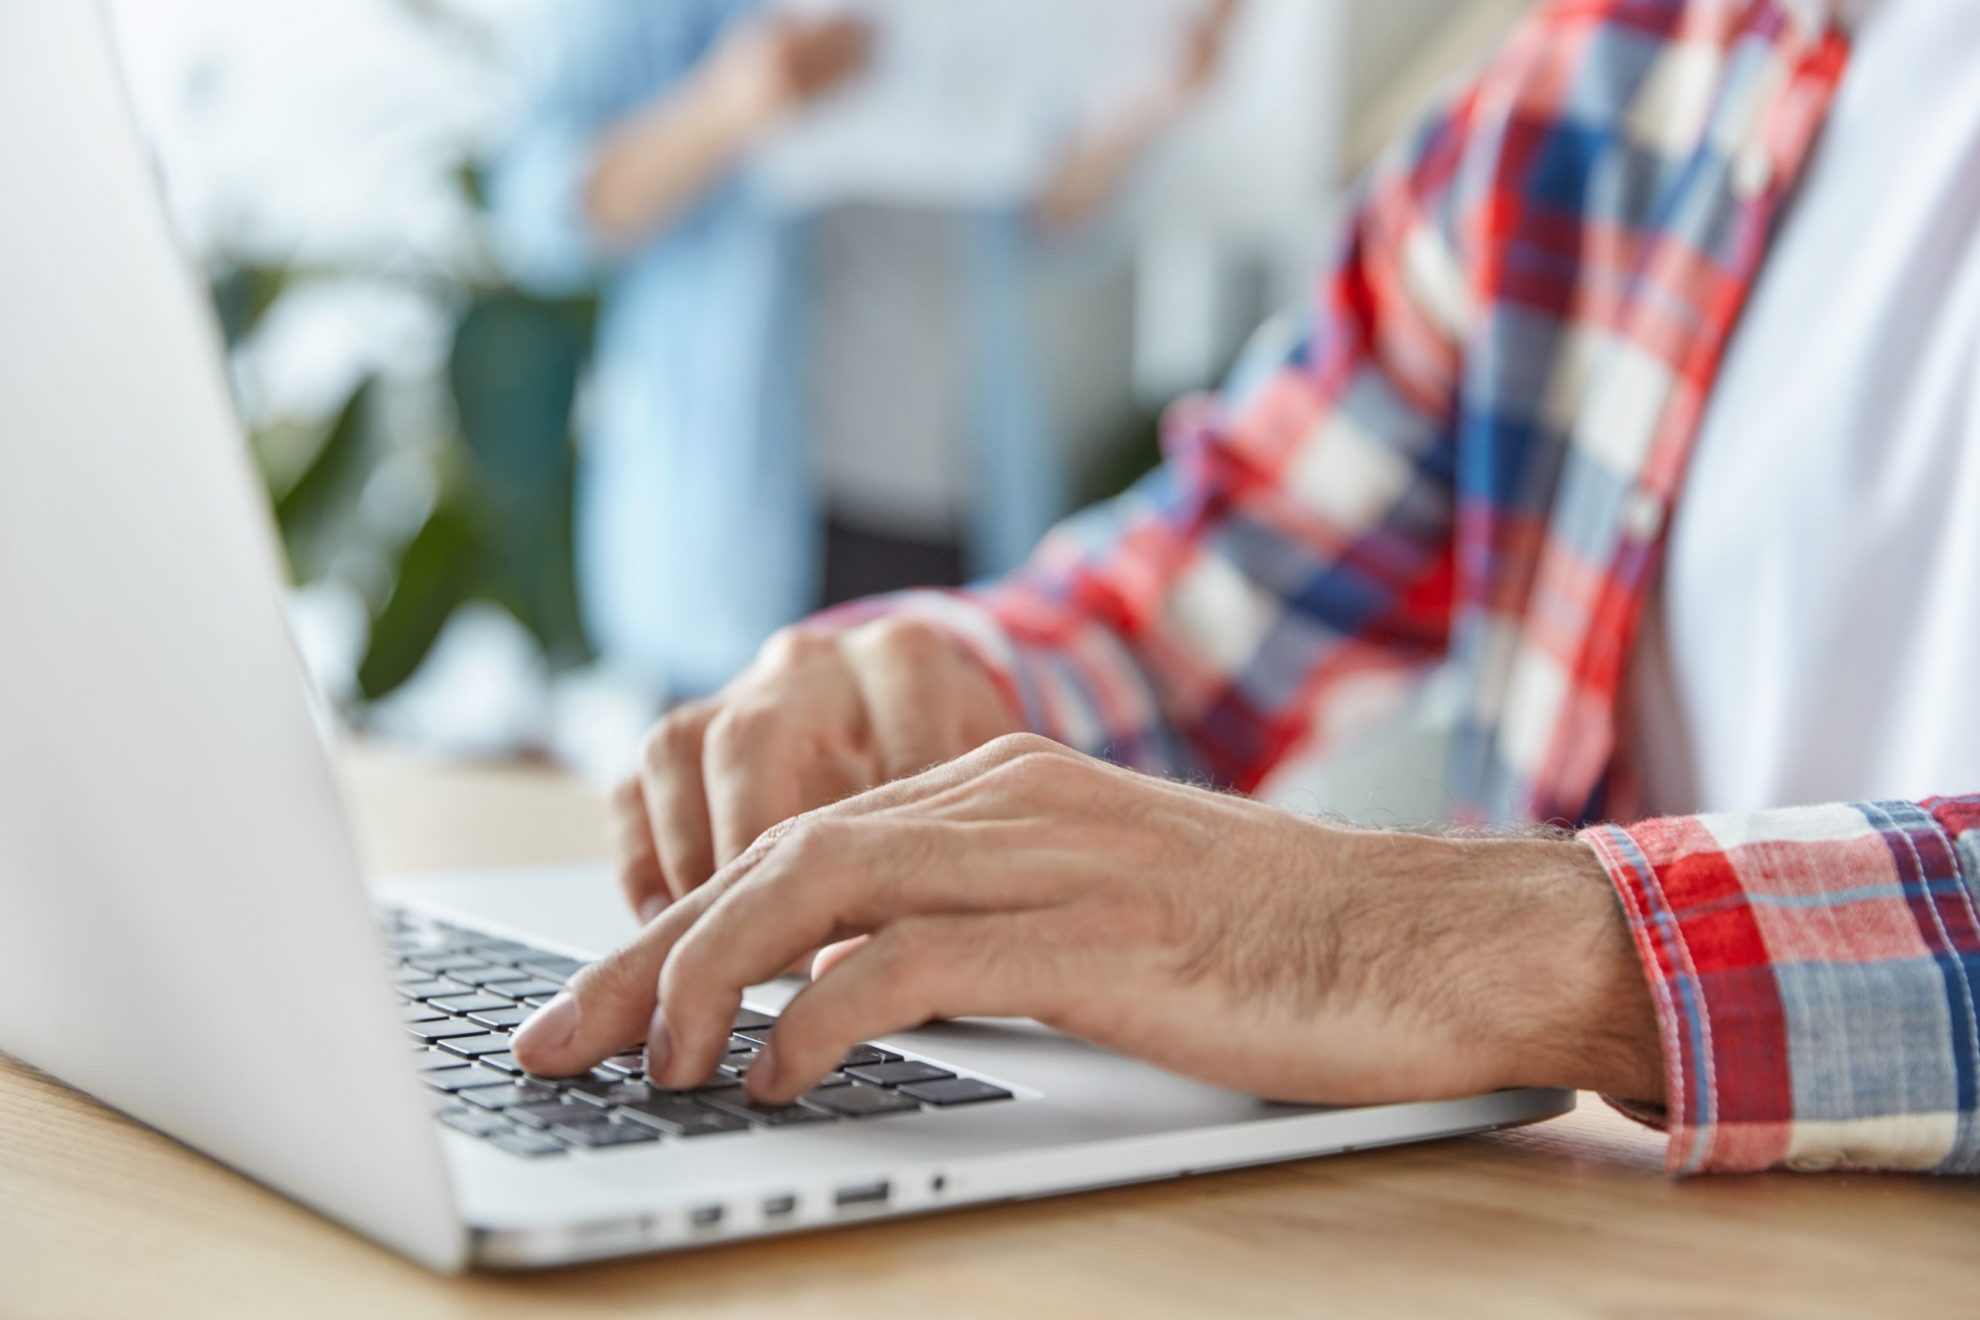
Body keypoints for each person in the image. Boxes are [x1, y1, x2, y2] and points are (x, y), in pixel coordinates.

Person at [513, 0, 1980, 1178]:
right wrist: (944, 694)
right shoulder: (1621, 75)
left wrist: (1429, 943)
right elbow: (1196, 604)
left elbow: (1047, 210)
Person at [489, 0, 1239, 700]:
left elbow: (1048, 223)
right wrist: (731, 106)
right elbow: (539, 211)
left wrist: (1153, 94)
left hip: (959, 511)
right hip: (746, 530)